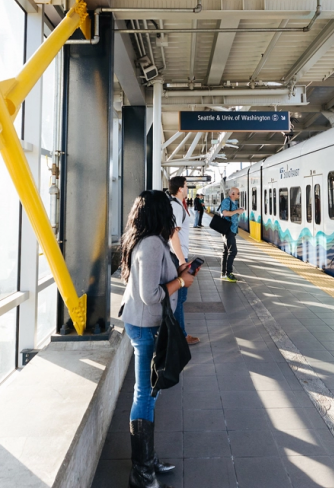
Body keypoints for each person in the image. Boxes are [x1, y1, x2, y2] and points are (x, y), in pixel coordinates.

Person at [119, 190, 195, 488]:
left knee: (150, 392)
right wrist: (180, 282)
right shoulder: (151, 245)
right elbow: (150, 296)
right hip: (145, 325)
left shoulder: (150, 241)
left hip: (146, 324)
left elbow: (151, 280)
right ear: (158, 213)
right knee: (145, 394)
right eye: (168, 210)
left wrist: (177, 271)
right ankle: (141, 471)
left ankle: (147, 459)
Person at [167, 177, 201, 345]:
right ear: (180, 188)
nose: (188, 188)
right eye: (186, 186)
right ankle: (180, 335)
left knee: (179, 297)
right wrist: (182, 261)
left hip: (178, 256)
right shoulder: (175, 206)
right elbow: (173, 236)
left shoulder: (178, 205)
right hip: (177, 257)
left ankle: (177, 333)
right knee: (179, 297)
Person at [218, 187, 244, 282]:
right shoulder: (226, 201)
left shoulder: (234, 203)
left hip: (232, 230)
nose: (239, 195)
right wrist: (237, 211)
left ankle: (224, 273)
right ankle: (229, 273)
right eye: (238, 193)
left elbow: (232, 214)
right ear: (232, 194)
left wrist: (238, 211)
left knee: (226, 251)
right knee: (233, 251)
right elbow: (225, 213)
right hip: (227, 230)